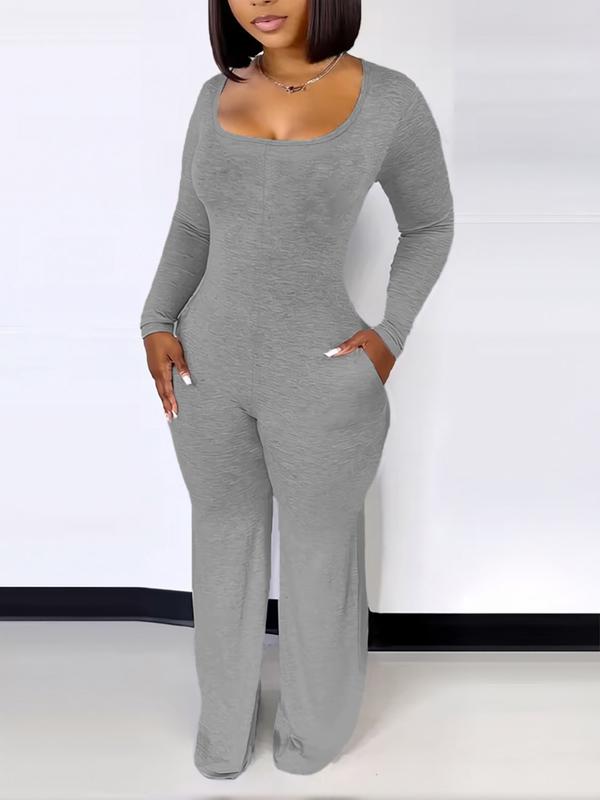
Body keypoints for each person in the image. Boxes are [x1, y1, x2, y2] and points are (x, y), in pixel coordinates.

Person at [139, 0, 454, 780]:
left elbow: (430, 225)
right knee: (223, 541)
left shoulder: (388, 100)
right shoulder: (213, 96)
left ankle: (315, 731)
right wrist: (155, 321)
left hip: (321, 375)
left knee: (319, 551)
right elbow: (192, 226)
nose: (262, 2)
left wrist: (390, 335)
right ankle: (223, 728)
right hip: (206, 369)